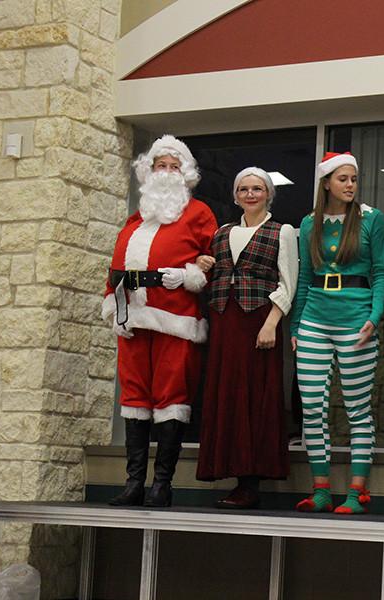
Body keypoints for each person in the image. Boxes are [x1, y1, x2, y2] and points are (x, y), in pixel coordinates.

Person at [103, 135, 217, 508]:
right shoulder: (136, 218)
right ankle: (134, 482)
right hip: (132, 317)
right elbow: (116, 267)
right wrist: (112, 304)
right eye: (160, 165)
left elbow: (211, 262)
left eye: (173, 166)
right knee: (134, 397)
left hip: (175, 318)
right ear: (147, 171)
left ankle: (161, 484)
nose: (166, 172)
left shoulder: (199, 213)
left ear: (185, 174)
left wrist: (188, 276)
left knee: (171, 398)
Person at [290, 152, 384, 514]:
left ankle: (356, 492)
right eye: (343, 179)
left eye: (354, 179)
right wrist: (296, 324)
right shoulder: (308, 223)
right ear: (326, 183)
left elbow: (381, 273)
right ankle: (320, 489)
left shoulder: (370, 219)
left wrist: (375, 316)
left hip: (356, 320)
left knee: (357, 408)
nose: (350, 185)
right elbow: (304, 278)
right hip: (315, 318)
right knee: (312, 406)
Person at [195, 167, 297, 509]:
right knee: (228, 394)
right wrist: (203, 262)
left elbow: (288, 283)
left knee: (255, 395)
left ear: (268, 193)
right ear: (236, 195)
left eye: (257, 188)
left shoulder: (281, 231)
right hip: (225, 321)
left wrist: (271, 324)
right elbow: (215, 275)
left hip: (258, 322)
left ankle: (251, 482)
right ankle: (230, 470)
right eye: (243, 189)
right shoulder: (222, 232)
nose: (250, 194)